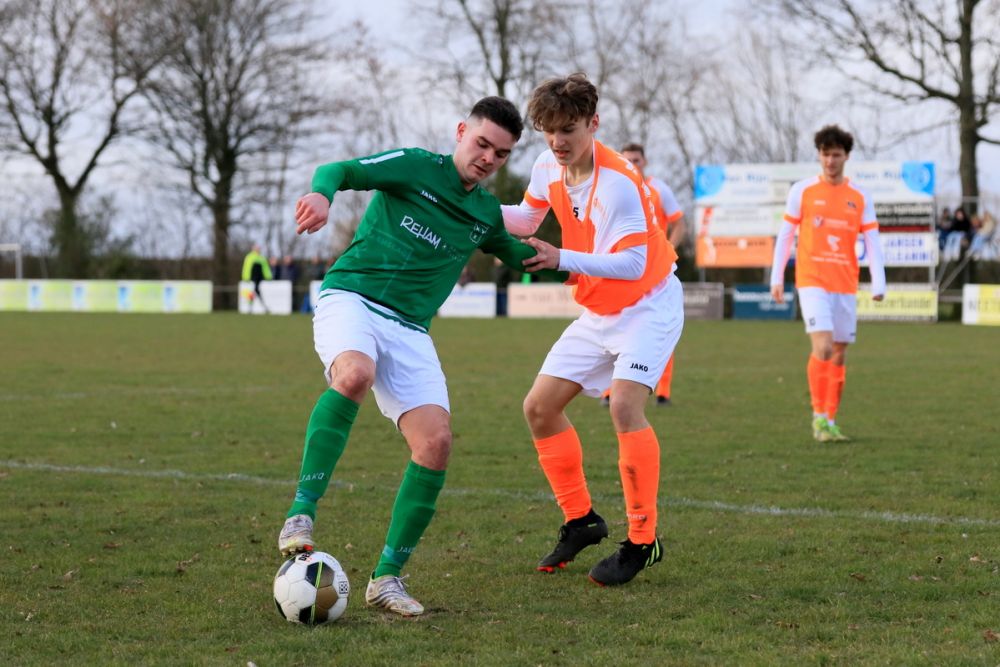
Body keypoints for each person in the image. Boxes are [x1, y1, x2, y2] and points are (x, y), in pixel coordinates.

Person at [279, 96, 565, 617]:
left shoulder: (482, 211)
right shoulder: (415, 167)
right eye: (481, 144)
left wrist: (573, 260)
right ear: (461, 132)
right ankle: (301, 512)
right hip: (353, 299)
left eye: (500, 154)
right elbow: (338, 169)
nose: (487, 158)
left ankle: (386, 579)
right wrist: (321, 196)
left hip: (410, 329)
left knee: (435, 443)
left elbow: (517, 251)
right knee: (355, 374)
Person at [501, 73, 683, 586]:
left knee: (625, 405)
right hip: (599, 310)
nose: (558, 141)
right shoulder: (546, 166)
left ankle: (643, 542)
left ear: (593, 123)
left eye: (569, 129)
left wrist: (560, 257)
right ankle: (581, 520)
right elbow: (524, 219)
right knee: (539, 408)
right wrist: (466, 210)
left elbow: (630, 263)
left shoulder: (621, 181)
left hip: (648, 305)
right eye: (548, 130)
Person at [770, 124, 886, 443]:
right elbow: (785, 237)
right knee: (822, 346)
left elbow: (873, 240)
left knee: (839, 353)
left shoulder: (860, 196)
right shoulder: (802, 191)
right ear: (819, 155)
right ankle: (818, 417)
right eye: (825, 154)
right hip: (812, 280)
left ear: (846, 156)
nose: (830, 161)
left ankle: (831, 419)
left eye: (836, 155)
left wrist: (879, 282)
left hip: (845, 283)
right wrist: (776, 277)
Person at [601, 142, 685, 408]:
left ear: (644, 162)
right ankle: (607, 391)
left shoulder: (659, 189)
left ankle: (664, 391)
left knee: (661, 329)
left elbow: (679, 221)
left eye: (636, 160)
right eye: (626, 159)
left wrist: (668, 249)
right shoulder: (613, 186)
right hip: (623, 270)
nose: (631, 164)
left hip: (655, 274)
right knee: (614, 328)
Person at [241, 243, 272, 313]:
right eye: (256, 248)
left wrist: (268, 276)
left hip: (260, 278)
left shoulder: (262, 258)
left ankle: (253, 307)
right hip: (252, 278)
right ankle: (257, 307)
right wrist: (245, 277)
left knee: (255, 292)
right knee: (253, 292)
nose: (258, 250)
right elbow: (246, 268)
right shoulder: (249, 257)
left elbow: (266, 268)